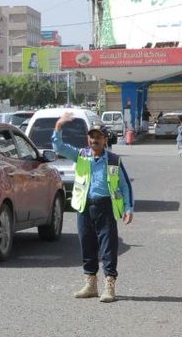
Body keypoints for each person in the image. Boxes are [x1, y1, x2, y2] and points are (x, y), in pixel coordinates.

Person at [50, 112, 134, 303]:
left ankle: (109, 286)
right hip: (84, 207)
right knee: (87, 245)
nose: (94, 140)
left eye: (98, 137)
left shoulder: (113, 160)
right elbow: (58, 147)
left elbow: (124, 185)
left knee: (108, 248)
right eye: (91, 137)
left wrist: (128, 208)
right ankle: (91, 284)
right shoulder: (81, 155)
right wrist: (59, 126)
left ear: (105, 140)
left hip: (105, 207)